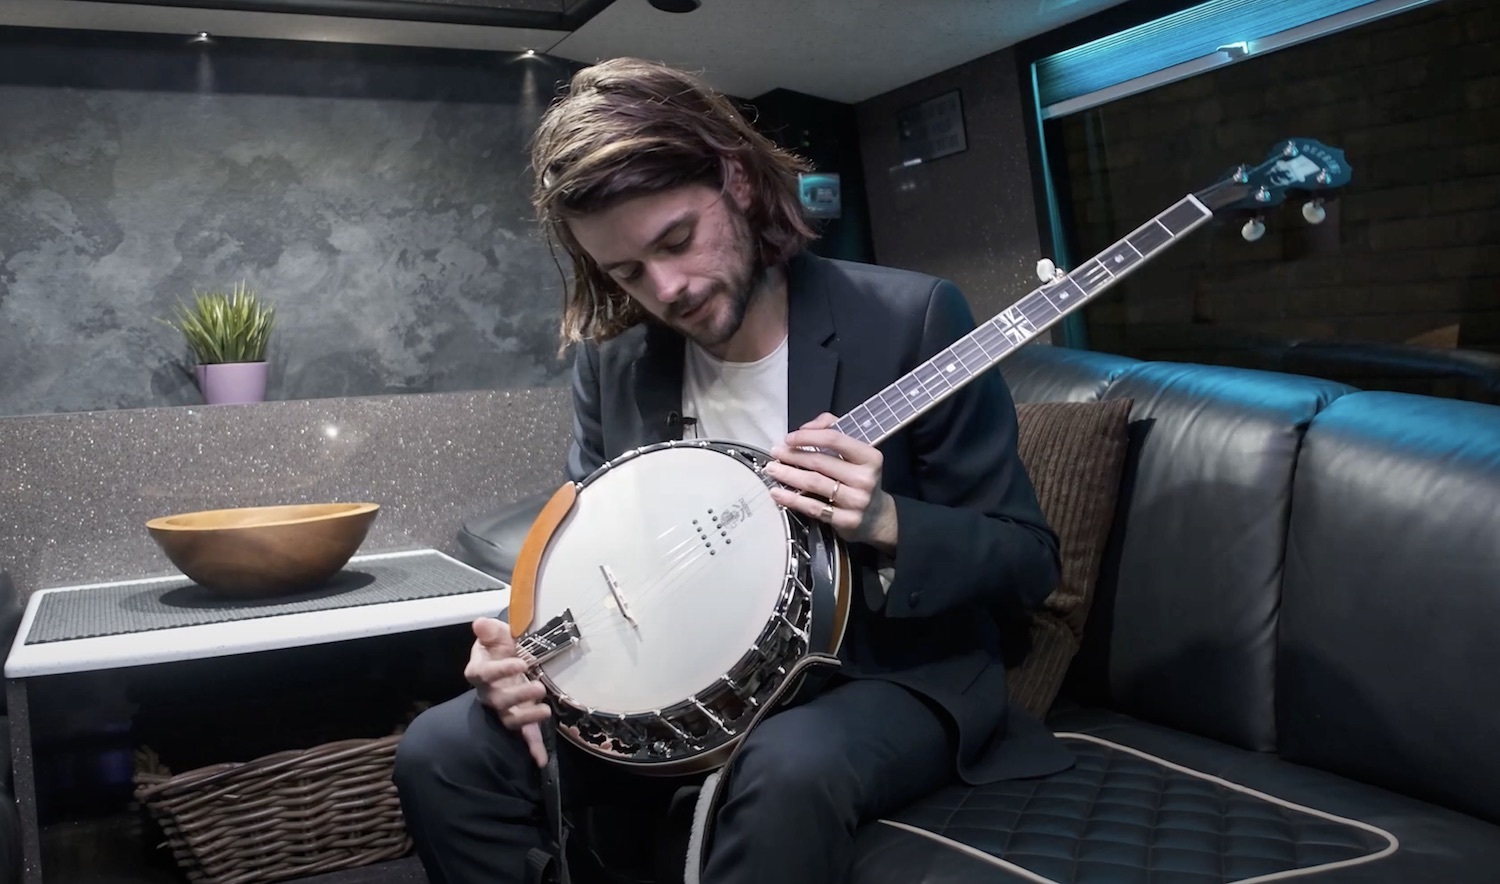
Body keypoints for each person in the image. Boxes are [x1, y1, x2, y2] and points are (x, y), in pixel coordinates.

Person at [393, 57, 1073, 884]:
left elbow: (1027, 561)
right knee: (441, 749)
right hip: (671, 684)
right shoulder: (616, 363)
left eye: (676, 240)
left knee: (785, 765)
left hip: (880, 675)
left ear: (739, 182)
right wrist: (522, 650)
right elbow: (588, 545)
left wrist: (887, 522)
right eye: (626, 272)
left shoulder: (912, 317)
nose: (666, 289)